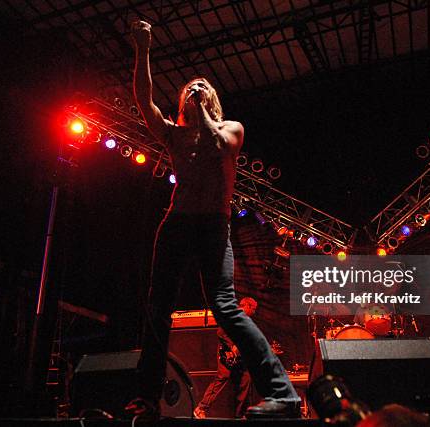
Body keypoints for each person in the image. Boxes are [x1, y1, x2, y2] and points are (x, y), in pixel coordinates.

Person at [126, 20, 300, 420]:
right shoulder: (173, 134)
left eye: (203, 87)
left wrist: (201, 109)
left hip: (212, 227)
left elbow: (220, 144)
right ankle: (147, 397)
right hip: (177, 222)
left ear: (213, 101)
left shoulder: (230, 128)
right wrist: (143, 50)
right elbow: (143, 99)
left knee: (224, 306)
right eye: (190, 87)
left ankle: (283, 394)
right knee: (158, 308)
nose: (196, 88)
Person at [194, 297, 257, 419]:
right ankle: (201, 408)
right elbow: (220, 332)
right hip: (227, 355)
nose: (254, 312)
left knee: (246, 379)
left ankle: (241, 414)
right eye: (253, 309)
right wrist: (231, 346)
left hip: (239, 358)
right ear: (247, 306)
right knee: (222, 378)